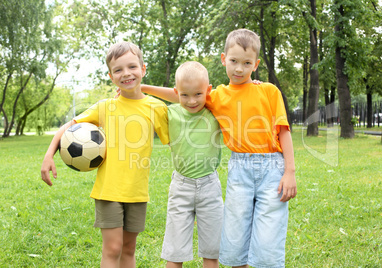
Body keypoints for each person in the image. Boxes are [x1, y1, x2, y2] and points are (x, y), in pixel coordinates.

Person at [141, 29, 297, 268]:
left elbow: (283, 130)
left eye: (246, 63)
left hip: (272, 167)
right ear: (224, 59)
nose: (239, 69)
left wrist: (290, 172)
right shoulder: (218, 96)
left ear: (255, 64)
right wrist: (144, 88)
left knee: (268, 240)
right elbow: (181, 95)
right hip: (240, 168)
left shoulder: (268, 91)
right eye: (233, 61)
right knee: (235, 240)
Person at [40, 41, 169, 267]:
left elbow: (187, 97)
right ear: (111, 76)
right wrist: (49, 154)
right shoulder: (105, 107)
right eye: (118, 70)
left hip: (138, 192)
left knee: (129, 249)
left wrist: (146, 88)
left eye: (132, 67)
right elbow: (68, 126)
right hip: (109, 191)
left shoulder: (156, 108)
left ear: (143, 69)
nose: (126, 74)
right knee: (112, 248)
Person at [161, 61, 223, 268]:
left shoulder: (214, 111)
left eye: (198, 94)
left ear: (208, 91)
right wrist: (140, 87)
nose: (192, 101)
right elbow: (169, 96)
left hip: (209, 186)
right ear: (177, 93)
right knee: (175, 252)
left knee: (212, 251)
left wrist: (252, 82)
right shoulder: (171, 113)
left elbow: (238, 94)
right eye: (184, 95)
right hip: (181, 186)